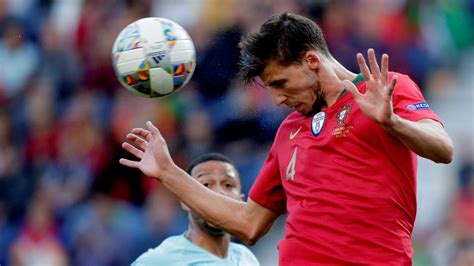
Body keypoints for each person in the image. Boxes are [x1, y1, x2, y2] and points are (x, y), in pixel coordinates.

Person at [120, 13, 454, 265]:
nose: (278, 100)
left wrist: (393, 122)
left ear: (311, 60)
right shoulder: (288, 131)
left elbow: (442, 148)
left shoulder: (384, 90)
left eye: (280, 83)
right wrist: (168, 172)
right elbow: (248, 223)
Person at [131, 153, 259, 266]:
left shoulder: (246, 258)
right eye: (206, 184)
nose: (219, 193)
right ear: (186, 200)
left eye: (228, 185)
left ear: (241, 201)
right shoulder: (159, 261)